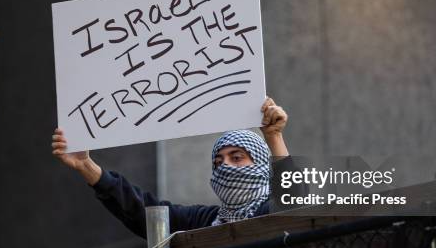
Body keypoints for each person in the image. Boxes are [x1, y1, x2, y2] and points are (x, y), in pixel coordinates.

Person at [51, 97, 290, 239]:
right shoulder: (205, 221)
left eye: (236, 158)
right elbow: (141, 211)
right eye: (218, 162)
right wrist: (86, 166)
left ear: (260, 164)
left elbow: (295, 201)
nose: (225, 166)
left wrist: (274, 137)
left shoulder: (271, 210)